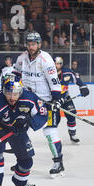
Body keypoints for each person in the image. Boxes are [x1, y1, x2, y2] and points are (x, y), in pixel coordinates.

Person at [0, 74, 48, 186]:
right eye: (8, 93)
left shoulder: (30, 98)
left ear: (21, 91)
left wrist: (29, 121)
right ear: (3, 91)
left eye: (15, 93)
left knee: (27, 162)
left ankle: (20, 183)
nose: (12, 97)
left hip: (17, 129)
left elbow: (43, 116)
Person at [13, 32, 65, 178]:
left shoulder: (46, 59)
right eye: (29, 44)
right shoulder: (22, 58)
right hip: (27, 100)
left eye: (34, 44)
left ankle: (58, 162)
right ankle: (22, 161)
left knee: (50, 132)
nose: (31, 47)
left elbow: (54, 81)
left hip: (45, 101)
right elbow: (16, 74)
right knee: (21, 130)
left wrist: (56, 99)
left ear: (39, 44)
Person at [54, 56, 89, 144]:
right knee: (55, 120)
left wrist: (83, 87)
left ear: (61, 64)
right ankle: (53, 136)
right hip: (54, 100)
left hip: (65, 99)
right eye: (54, 63)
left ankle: (72, 134)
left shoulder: (67, 72)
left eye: (58, 64)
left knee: (72, 114)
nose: (55, 65)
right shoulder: (48, 73)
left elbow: (77, 79)